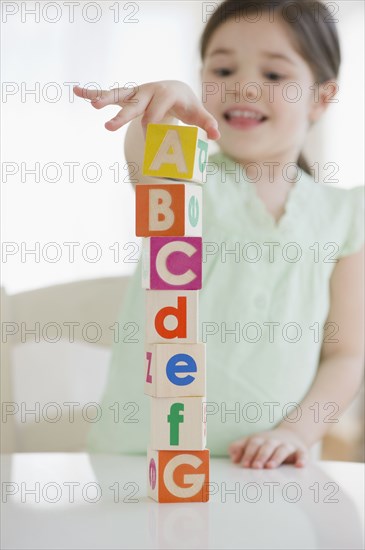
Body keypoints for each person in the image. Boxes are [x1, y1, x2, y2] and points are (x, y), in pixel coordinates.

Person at [73, 0, 364, 469]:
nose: (243, 87)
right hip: (138, 460)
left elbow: (346, 355)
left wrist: (296, 433)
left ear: (321, 98)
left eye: (273, 76)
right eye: (223, 69)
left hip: (266, 473)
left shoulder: (345, 214)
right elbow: (149, 154)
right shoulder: (189, 176)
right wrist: (166, 104)